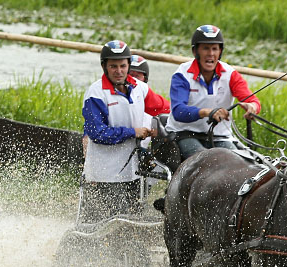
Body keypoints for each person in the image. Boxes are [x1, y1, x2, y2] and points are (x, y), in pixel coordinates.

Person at [81, 40, 170, 223]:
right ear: (104, 66)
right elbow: (98, 134)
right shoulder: (95, 93)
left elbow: (164, 108)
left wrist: (196, 114)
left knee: (131, 219)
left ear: (128, 65)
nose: (119, 71)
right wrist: (132, 132)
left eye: (123, 66)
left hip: (133, 171)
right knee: (109, 222)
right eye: (113, 66)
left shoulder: (140, 88)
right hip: (105, 174)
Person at [166, 25, 260, 159]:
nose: (211, 54)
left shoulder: (230, 74)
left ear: (220, 52)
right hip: (184, 134)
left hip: (220, 136)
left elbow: (252, 100)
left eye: (215, 49)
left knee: (244, 163)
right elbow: (178, 111)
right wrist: (208, 112)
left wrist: (252, 107)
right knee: (207, 162)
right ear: (195, 51)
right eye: (205, 48)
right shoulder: (182, 75)